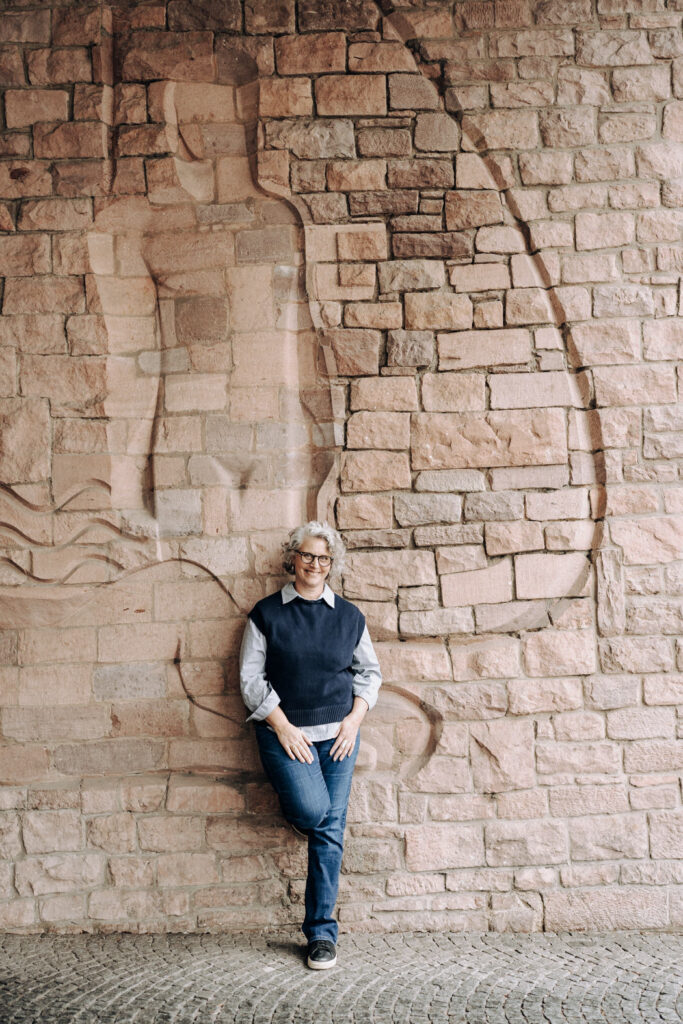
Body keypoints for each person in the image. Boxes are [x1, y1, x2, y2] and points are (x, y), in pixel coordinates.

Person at [239, 521, 382, 970]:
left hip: (339, 738)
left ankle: (321, 934)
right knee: (313, 814)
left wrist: (354, 721)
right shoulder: (266, 614)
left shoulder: (349, 617)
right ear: (292, 559)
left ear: (331, 564)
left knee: (329, 833)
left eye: (323, 558)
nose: (314, 565)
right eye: (307, 556)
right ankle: (303, 809)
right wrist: (281, 727)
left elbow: (369, 674)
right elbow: (249, 678)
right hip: (287, 735)